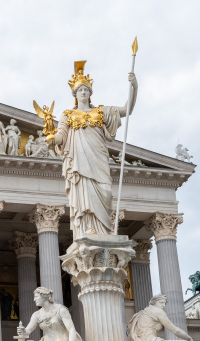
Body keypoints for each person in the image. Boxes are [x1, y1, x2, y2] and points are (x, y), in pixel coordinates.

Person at [48, 61, 137, 238]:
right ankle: (89, 228)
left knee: (106, 192)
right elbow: (61, 135)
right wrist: (52, 139)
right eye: (80, 90)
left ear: (90, 93)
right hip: (80, 161)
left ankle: (104, 231)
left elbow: (127, 110)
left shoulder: (101, 112)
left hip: (99, 158)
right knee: (85, 194)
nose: (83, 92)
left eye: (86, 90)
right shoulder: (68, 115)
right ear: (75, 94)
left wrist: (134, 86)